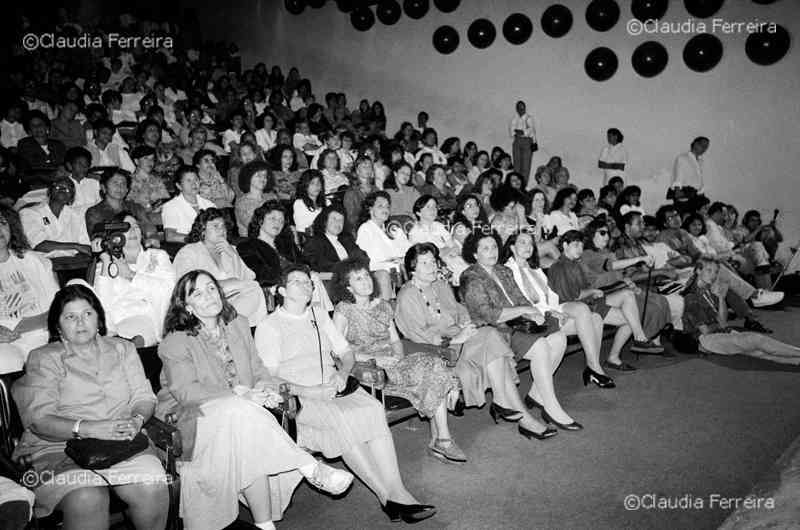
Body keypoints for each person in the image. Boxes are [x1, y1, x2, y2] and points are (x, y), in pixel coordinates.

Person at [157, 270, 354, 530]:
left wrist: (264, 387)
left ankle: (265, 525)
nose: (208, 296)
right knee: (239, 409)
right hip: (194, 421)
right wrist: (241, 394)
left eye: (212, 289)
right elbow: (186, 393)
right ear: (186, 305)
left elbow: (259, 370)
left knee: (247, 434)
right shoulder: (175, 342)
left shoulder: (237, 325)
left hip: (243, 418)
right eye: (197, 293)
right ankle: (308, 466)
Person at [255, 264, 437, 523]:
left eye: (308, 281)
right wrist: (310, 390)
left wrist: (342, 373)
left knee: (372, 409)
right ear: (282, 290)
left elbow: (346, 353)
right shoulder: (269, 326)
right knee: (343, 421)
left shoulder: (319, 314)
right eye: (297, 282)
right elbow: (270, 377)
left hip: (335, 385)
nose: (306, 285)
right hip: (300, 396)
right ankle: (387, 496)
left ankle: (399, 490)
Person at [11, 284, 169, 528]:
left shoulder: (122, 349)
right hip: (59, 448)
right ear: (57, 325)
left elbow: (143, 397)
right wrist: (90, 428)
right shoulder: (43, 358)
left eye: (87, 313)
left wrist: (136, 420)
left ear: (99, 318)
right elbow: (38, 420)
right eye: (70, 317)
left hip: (121, 443)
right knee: (89, 498)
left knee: (152, 485)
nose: (81, 322)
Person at [331, 258, 466, 463]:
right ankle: (443, 438)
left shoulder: (384, 306)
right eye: (358, 279)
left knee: (433, 364)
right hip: (367, 368)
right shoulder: (343, 310)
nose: (366, 281)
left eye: (367, 275)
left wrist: (398, 358)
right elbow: (338, 350)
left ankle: (443, 437)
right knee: (433, 371)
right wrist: (376, 359)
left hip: (394, 362)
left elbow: (395, 340)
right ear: (348, 286)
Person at [459, 230, 578, 432]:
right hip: (495, 333)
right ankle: (551, 407)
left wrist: (534, 313)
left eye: (494, 247)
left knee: (558, 338)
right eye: (485, 248)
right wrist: (524, 310)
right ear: (474, 254)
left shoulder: (503, 271)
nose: (492, 252)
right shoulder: (470, 276)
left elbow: (520, 298)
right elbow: (488, 314)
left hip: (519, 324)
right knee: (541, 346)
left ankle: (537, 394)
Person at [502, 232, 615, 388]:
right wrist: (550, 312)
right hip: (531, 319)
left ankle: (593, 367)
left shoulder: (534, 268)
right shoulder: (506, 271)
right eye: (523, 243)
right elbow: (519, 302)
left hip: (550, 311)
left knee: (595, 318)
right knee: (582, 310)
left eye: (530, 244)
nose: (528, 247)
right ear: (512, 247)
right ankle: (594, 369)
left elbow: (550, 295)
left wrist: (556, 310)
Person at [547, 230, 665, 370]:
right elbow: (571, 296)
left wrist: (598, 290)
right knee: (629, 318)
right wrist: (592, 291)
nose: (580, 249)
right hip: (577, 306)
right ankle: (618, 354)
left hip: (591, 300)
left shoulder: (576, 263)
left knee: (628, 297)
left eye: (581, 245)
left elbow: (590, 285)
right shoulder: (559, 266)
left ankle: (638, 338)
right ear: (565, 245)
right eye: (576, 245)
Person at [682, 258, 800, 364]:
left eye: (716, 272)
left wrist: (722, 299)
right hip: (706, 340)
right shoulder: (691, 297)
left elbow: (723, 323)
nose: (713, 275)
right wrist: (719, 324)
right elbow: (706, 331)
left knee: (760, 352)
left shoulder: (708, 290)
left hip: (721, 332)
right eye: (709, 270)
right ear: (698, 271)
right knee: (756, 340)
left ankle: (797, 360)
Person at [91, 213, 175, 347]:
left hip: (147, 320)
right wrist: (106, 259)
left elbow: (170, 290)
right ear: (115, 236)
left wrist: (131, 275)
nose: (133, 231)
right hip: (115, 324)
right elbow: (102, 303)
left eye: (136, 227)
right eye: (126, 228)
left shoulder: (157, 256)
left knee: (133, 337)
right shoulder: (105, 265)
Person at [173, 208, 268, 326]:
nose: (221, 230)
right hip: (205, 296)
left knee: (254, 289)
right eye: (215, 226)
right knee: (253, 288)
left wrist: (233, 256)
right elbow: (186, 284)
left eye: (223, 226)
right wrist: (224, 284)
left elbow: (247, 278)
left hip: (233, 300)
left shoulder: (230, 249)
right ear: (203, 230)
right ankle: (229, 324)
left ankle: (225, 323)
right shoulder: (189, 251)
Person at [238, 201, 332, 311]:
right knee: (313, 280)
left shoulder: (286, 244)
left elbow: (304, 262)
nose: (277, 223)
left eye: (281, 221)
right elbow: (260, 276)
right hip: (279, 288)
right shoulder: (247, 246)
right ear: (260, 220)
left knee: (321, 277)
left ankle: (319, 316)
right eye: (272, 218)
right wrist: (293, 277)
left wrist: (305, 272)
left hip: (303, 281)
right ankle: (320, 317)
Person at [0, 205, 58, 373]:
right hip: (6, 344)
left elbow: (57, 305)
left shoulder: (32, 260)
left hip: (44, 334)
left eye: (3, 223)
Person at [355, 191, 410, 300]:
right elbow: (366, 261)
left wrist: (402, 260)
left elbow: (410, 251)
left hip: (401, 270)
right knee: (385, 274)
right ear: (370, 209)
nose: (385, 209)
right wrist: (393, 262)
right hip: (379, 272)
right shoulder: (366, 229)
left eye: (387, 206)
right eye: (380, 206)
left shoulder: (394, 229)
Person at [84, 168, 158, 245]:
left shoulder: (135, 208)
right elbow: (98, 241)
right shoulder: (94, 212)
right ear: (103, 187)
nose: (120, 187)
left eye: (123, 183)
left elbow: (149, 228)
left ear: (127, 190)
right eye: (115, 183)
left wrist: (152, 238)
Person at [20, 177, 91, 255]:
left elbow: (85, 245)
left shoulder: (77, 216)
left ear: (71, 197)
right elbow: (40, 245)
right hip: (43, 262)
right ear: (50, 191)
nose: (63, 189)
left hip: (73, 262)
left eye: (67, 189)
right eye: (58, 186)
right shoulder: (29, 213)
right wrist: (75, 246)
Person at [302, 205, 367, 274]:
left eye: (341, 220)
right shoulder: (315, 242)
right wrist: (347, 268)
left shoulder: (347, 240)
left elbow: (363, 257)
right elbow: (317, 264)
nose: (338, 223)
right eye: (334, 219)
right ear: (325, 221)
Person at [162, 165, 215, 242]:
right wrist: (198, 240)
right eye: (188, 180)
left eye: (196, 179)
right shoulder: (171, 206)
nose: (194, 184)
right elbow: (170, 236)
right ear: (179, 186)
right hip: (187, 247)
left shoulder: (209, 204)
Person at [127, 145, 170, 226]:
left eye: (152, 159)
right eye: (146, 158)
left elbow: (165, 200)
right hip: (140, 219)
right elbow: (129, 206)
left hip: (159, 216)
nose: (150, 162)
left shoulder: (157, 180)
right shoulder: (129, 181)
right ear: (136, 161)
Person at [234, 160, 276, 237]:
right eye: (258, 176)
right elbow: (255, 227)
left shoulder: (271, 197)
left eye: (265, 176)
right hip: (253, 241)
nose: (263, 179)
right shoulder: (242, 202)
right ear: (248, 177)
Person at [509, 100, 537, 181]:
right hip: (517, 140)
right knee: (516, 164)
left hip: (527, 141)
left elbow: (531, 130)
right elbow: (512, 129)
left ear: (525, 108)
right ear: (516, 109)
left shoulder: (529, 118)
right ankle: (515, 182)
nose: (521, 110)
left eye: (522, 108)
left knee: (526, 165)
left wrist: (523, 132)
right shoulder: (515, 118)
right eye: (519, 108)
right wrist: (516, 133)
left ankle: (523, 184)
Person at [293, 169, 326, 236]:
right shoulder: (299, 203)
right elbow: (301, 228)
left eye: (318, 183)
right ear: (305, 186)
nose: (316, 186)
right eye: (312, 183)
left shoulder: (327, 202)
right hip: (309, 238)